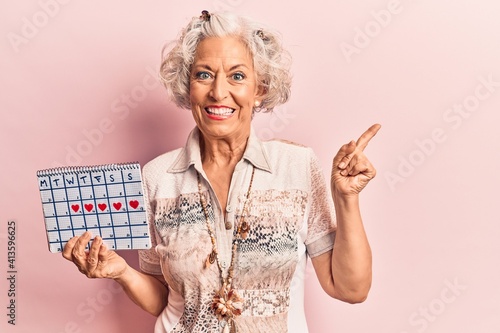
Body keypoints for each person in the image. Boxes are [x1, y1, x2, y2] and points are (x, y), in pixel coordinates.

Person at [62, 10, 380, 333]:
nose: (218, 91)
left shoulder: (296, 167)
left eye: (237, 76)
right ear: (188, 87)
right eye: (204, 74)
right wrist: (122, 273)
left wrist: (346, 198)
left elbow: (350, 288)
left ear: (261, 88)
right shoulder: (156, 179)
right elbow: (164, 299)